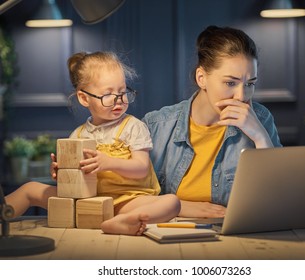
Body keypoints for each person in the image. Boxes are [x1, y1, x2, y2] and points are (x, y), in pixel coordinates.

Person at [5, 51, 180, 235]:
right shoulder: (78, 134)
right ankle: (3, 215)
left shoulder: (133, 127)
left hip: (125, 201)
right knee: (29, 189)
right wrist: (61, 172)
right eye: (108, 94)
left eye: (122, 92)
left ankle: (121, 221)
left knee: (171, 202)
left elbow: (141, 167)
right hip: (86, 201)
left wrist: (109, 163)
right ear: (84, 98)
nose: (118, 99)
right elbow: (74, 176)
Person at [142, 25, 282, 218]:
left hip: (238, 240)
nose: (241, 96)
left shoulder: (261, 119)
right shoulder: (157, 126)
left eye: (250, 84)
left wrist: (260, 136)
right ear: (202, 78)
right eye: (230, 83)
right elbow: (128, 197)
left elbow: (278, 199)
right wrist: (179, 207)